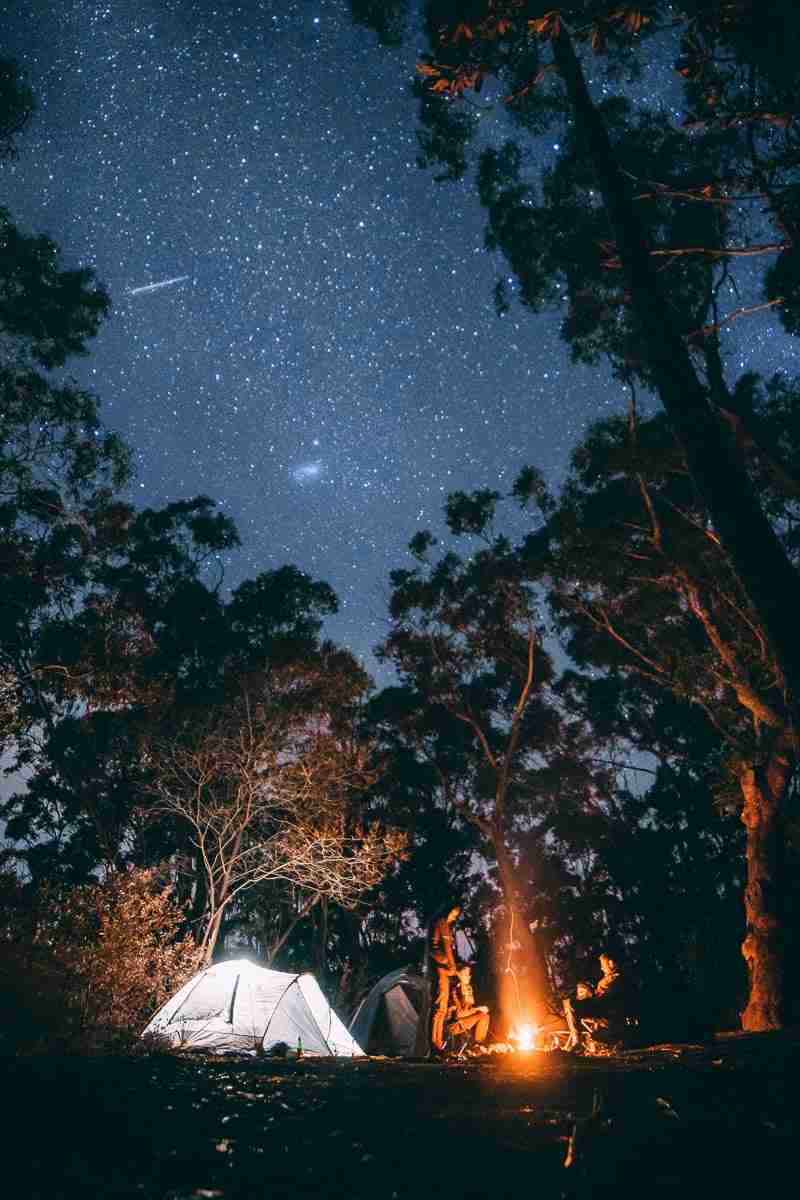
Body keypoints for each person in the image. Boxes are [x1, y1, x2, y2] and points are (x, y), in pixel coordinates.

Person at [563, 952, 628, 1051]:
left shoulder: (616, 979)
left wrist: (589, 997)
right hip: (603, 1009)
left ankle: (577, 1041)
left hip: (607, 1012)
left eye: (603, 965)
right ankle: (579, 1039)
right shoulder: (611, 979)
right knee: (571, 1002)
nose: (602, 968)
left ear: (611, 963)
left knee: (569, 1003)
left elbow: (607, 999)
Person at [428, 903, 462, 1052]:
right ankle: (435, 1043)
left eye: (456, 914)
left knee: (443, 1008)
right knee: (440, 1009)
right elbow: (439, 947)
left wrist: (453, 967)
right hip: (441, 968)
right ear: (448, 910)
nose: (455, 917)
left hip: (445, 969)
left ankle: (438, 1042)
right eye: (454, 913)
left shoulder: (446, 926)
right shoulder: (441, 924)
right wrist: (448, 963)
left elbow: (448, 949)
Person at [446, 965, 490, 1049]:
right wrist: (477, 1009)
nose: (468, 977)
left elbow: (469, 1008)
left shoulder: (468, 988)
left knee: (484, 1015)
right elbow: (459, 1014)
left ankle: (478, 1044)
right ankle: (477, 1045)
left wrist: (479, 1009)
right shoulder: (456, 990)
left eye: (469, 974)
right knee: (482, 1014)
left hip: (466, 1020)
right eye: (465, 974)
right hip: (456, 1023)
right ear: (458, 975)